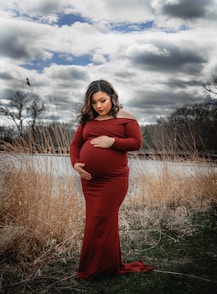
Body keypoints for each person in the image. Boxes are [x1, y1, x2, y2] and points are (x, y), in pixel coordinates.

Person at [70, 80, 154, 280]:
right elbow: (74, 146)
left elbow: (136, 143)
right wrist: (75, 164)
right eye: (94, 102)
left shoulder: (126, 118)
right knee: (96, 222)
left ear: (112, 97)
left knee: (101, 219)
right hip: (90, 182)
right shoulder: (87, 121)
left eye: (103, 100)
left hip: (113, 180)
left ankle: (98, 270)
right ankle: (104, 267)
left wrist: (112, 141)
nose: (99, 106)